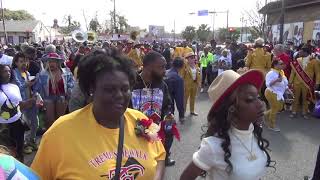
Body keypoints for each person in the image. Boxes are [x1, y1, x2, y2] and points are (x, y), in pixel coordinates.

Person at [31, 49, 166, 180]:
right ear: (91, 89)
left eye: (125, 89)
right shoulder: (60, 132)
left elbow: (160, 155)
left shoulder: (140, 120)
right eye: (109, 89)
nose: (119, 95)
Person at [180, 70, 272, 180]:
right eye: (250, 99)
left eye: (258, 97)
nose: (260, 104)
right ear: (231, 109)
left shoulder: (255, 134)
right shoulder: (214, 146)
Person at [130, 51, 176, 166]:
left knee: (170, 128)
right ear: (149, 67)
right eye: (161, 67)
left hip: (156, 125)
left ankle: (164, 156)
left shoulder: (162, 85)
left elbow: (168, 104)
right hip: (135, 126)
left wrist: (168, 115)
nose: (165, 70)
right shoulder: (131, 83)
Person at [0, 64, 35, 162]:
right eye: (4, 71)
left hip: (17, 122)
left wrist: (32, 101)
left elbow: (19, 105)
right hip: (3, 127)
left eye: (9, 71)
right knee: (5, 153)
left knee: (19, 149)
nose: (8, 73)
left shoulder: (14, 87)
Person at [34, 52, 75, 128]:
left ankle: (59, 136)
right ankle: (50, 137)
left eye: (53, 61)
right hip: (48, 98)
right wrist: (38, 97)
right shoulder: (42, 74)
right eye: (49, 61)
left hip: (62, 98)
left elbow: (72, 83)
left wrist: (69, 91)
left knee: (60, 120)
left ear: (58, 63)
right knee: (50, 120)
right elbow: (36, 89)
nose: (51, 64)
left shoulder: (66, 72)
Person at [12, 52, 39, 153]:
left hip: (31, 101)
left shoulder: (27, 73)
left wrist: (35, 85)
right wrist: (27, 84)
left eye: (25, 61)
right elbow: (17, 88)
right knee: (24, 124)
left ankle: (31, 141)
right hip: (22, 103)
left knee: (35, 123)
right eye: (21, 61)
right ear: (16, 62)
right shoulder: (14, 73)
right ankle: (23, 145)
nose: (24, 63)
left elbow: (30, 87)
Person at [289, 46, 320, 119]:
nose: (299, 52)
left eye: (301, 51)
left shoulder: (314, 61)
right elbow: (293, 72)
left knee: (306, 99)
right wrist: (290, 82)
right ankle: (294, 112)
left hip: (307, 83)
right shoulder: (297, 60)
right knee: (295, 98)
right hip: (297, 82)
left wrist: (317, 83)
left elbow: (318, 73)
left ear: (306, 52)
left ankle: (304, 112)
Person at [265, 59, 288, 132]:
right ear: (275, 65)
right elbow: (268, 84)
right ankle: (271, 125)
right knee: (275, 109)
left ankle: (265, 114)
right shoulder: (271, 73)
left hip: (279, 93)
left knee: (279, 107)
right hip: (272, 92)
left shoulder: (281, 72)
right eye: (281, 64)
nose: (283, 65)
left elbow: (284, 82)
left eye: (282, 63)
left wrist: (288, 90)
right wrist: (276, 80)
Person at [165, 57, 185, 123]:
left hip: (166, 94)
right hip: (175, 86)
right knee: (179, 99)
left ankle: (170, 118)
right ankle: (181, 117)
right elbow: (179, 99)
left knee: (169, 103)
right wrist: (181, 114)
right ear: (181, 66)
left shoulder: (165, 73)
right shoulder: (178, 78)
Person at [181, 52, 201, 116]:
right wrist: (182, 85)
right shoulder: (185, 67)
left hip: (194, 84)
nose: (193, 59)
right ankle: (183, 112)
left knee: (193, 98)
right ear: (188, 59)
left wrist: (199, 83)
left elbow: (199, 75)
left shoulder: (196, 65)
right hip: (187, 85)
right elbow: (181, 77)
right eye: (191, 58)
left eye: (194, 57)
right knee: (185, 99)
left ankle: (192, 111)